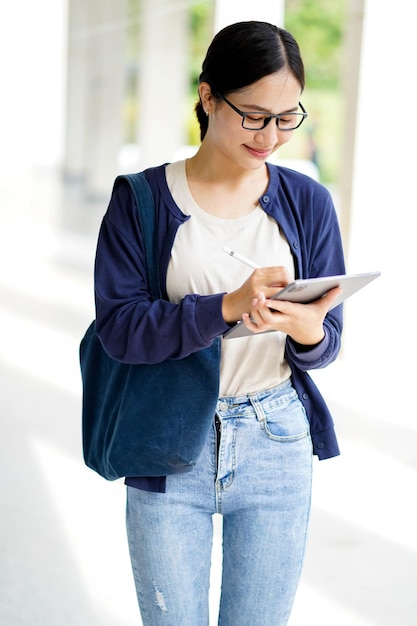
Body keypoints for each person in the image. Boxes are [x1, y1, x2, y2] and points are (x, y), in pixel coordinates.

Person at [94, 20, 345, 626]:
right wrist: (226, 307)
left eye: (288, 118)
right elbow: (121, 329)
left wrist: (305, 329)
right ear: (208, 97)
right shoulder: (142, 200)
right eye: (254, 115)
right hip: (166, 438)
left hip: (276, 437)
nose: (271, 135)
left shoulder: (309, 203)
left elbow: (327, 343)